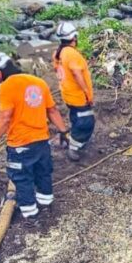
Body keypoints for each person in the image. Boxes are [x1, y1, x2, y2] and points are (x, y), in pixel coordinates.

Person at [0, 51, 69, 222]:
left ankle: (31, 216)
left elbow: (5, 117)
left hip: (20, 145)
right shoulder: (39, 82)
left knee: (22, 179)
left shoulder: (6, 86)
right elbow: (52, 110)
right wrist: (64, 131)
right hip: (42, 142)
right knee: (43, 173)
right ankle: (46, 203)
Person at [53, 21, 95, 162]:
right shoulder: (72, 54)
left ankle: (66, 138)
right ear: (74, 37)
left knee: (76, 117)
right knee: (86, 122)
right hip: (78, 96)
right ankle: (74, 146)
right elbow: (77, 74)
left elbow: (57, 70)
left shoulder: (58, 53)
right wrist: (87, 92)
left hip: (67, 94)